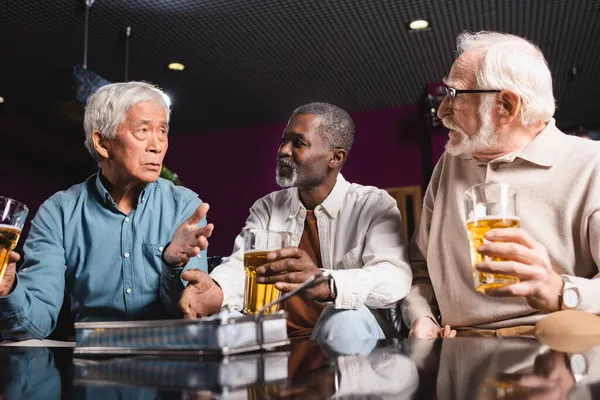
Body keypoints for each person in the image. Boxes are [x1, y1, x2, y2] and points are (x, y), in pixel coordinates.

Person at [401, 31, 600, 338]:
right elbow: (419, 268)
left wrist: (561, 290)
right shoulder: (449, 164)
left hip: (556, 344)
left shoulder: (591, 163)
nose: (441, 110)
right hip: (462, 347)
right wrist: (421, 316)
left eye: (455, 95)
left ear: (506, 105)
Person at [177, 102, 412, 340]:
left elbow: (394, 277)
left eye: (298, 143)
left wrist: (327, 283)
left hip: (349, 340)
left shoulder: (373, 205)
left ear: (336, 157)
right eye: (284, 141)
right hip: (276, 335)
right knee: (223, 325)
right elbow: (243, 266)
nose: (283, 151)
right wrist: (217, 289)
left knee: (344, 317)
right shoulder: (267, 207)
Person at [0, 82, 214, 340]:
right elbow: (35, 324)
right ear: (102, 143)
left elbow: (189, 313)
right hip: (90, 365)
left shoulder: (185, 206)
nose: (157, 145)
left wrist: (174, 265)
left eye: (162, 131)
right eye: (143, 130)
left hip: (167, 364)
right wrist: (8, 289)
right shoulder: (58, 212)